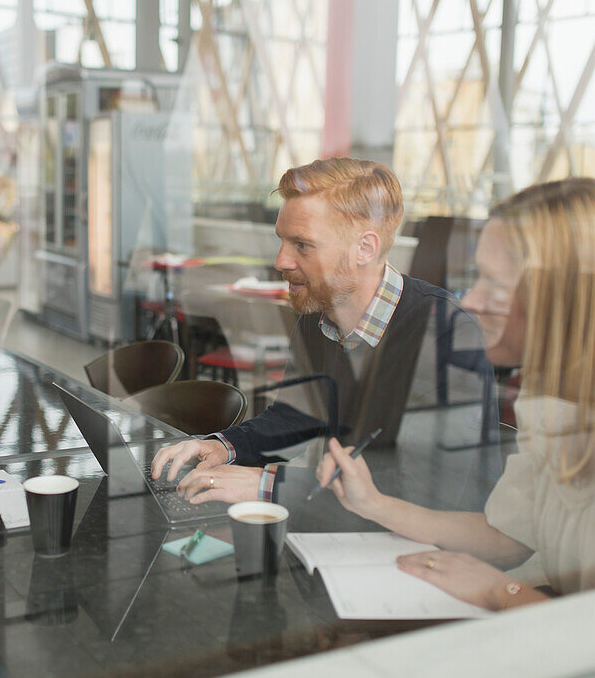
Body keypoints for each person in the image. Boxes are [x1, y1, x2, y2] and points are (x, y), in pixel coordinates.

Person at [315, 177, 595, 610]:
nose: (473, 300)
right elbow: (509, 536)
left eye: (494, 283)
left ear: (564, 297)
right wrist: (375, 504)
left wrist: (502, 592)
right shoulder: (554, 391)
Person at [151, 157, 498, 509]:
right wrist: (222, 446)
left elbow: (424, 483)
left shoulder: (444, 333)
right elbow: (294, 416)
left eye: (302, 245)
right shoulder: (318, 310)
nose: (281, 261)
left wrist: (267, 485)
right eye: (282, 241)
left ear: (365, 248)